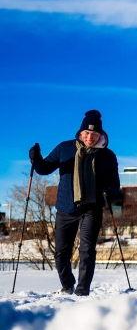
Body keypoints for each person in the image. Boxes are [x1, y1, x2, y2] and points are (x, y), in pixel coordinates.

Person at [29, 110, 120, 296]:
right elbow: (44, 169)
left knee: (87, 249)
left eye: (94, 134)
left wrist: (109, 191)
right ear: (80, 133)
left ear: (100, 135)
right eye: (86, 133)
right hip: (66, 207)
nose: (90, 137)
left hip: (92, 207)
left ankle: (82, 290)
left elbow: (114, 183)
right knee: (61, 252)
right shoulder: (65, 148)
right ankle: (67, 285)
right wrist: (35, 158)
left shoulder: (107, 155)